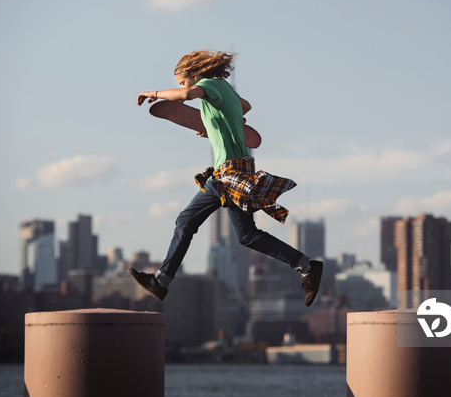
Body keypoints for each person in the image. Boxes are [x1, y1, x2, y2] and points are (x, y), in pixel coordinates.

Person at [130, 50, 323, 306]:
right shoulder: (225, 90)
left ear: (194, 72)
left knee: (186, 221)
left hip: (227, 174)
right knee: (247, 236)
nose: (184, 87)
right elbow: (245, 106)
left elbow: (187, 96)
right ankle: (306, 266)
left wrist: (152, 93)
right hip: (237, 170)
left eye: (182, 81)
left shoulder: (207, 84)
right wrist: (217, 124)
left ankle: (162, 281)